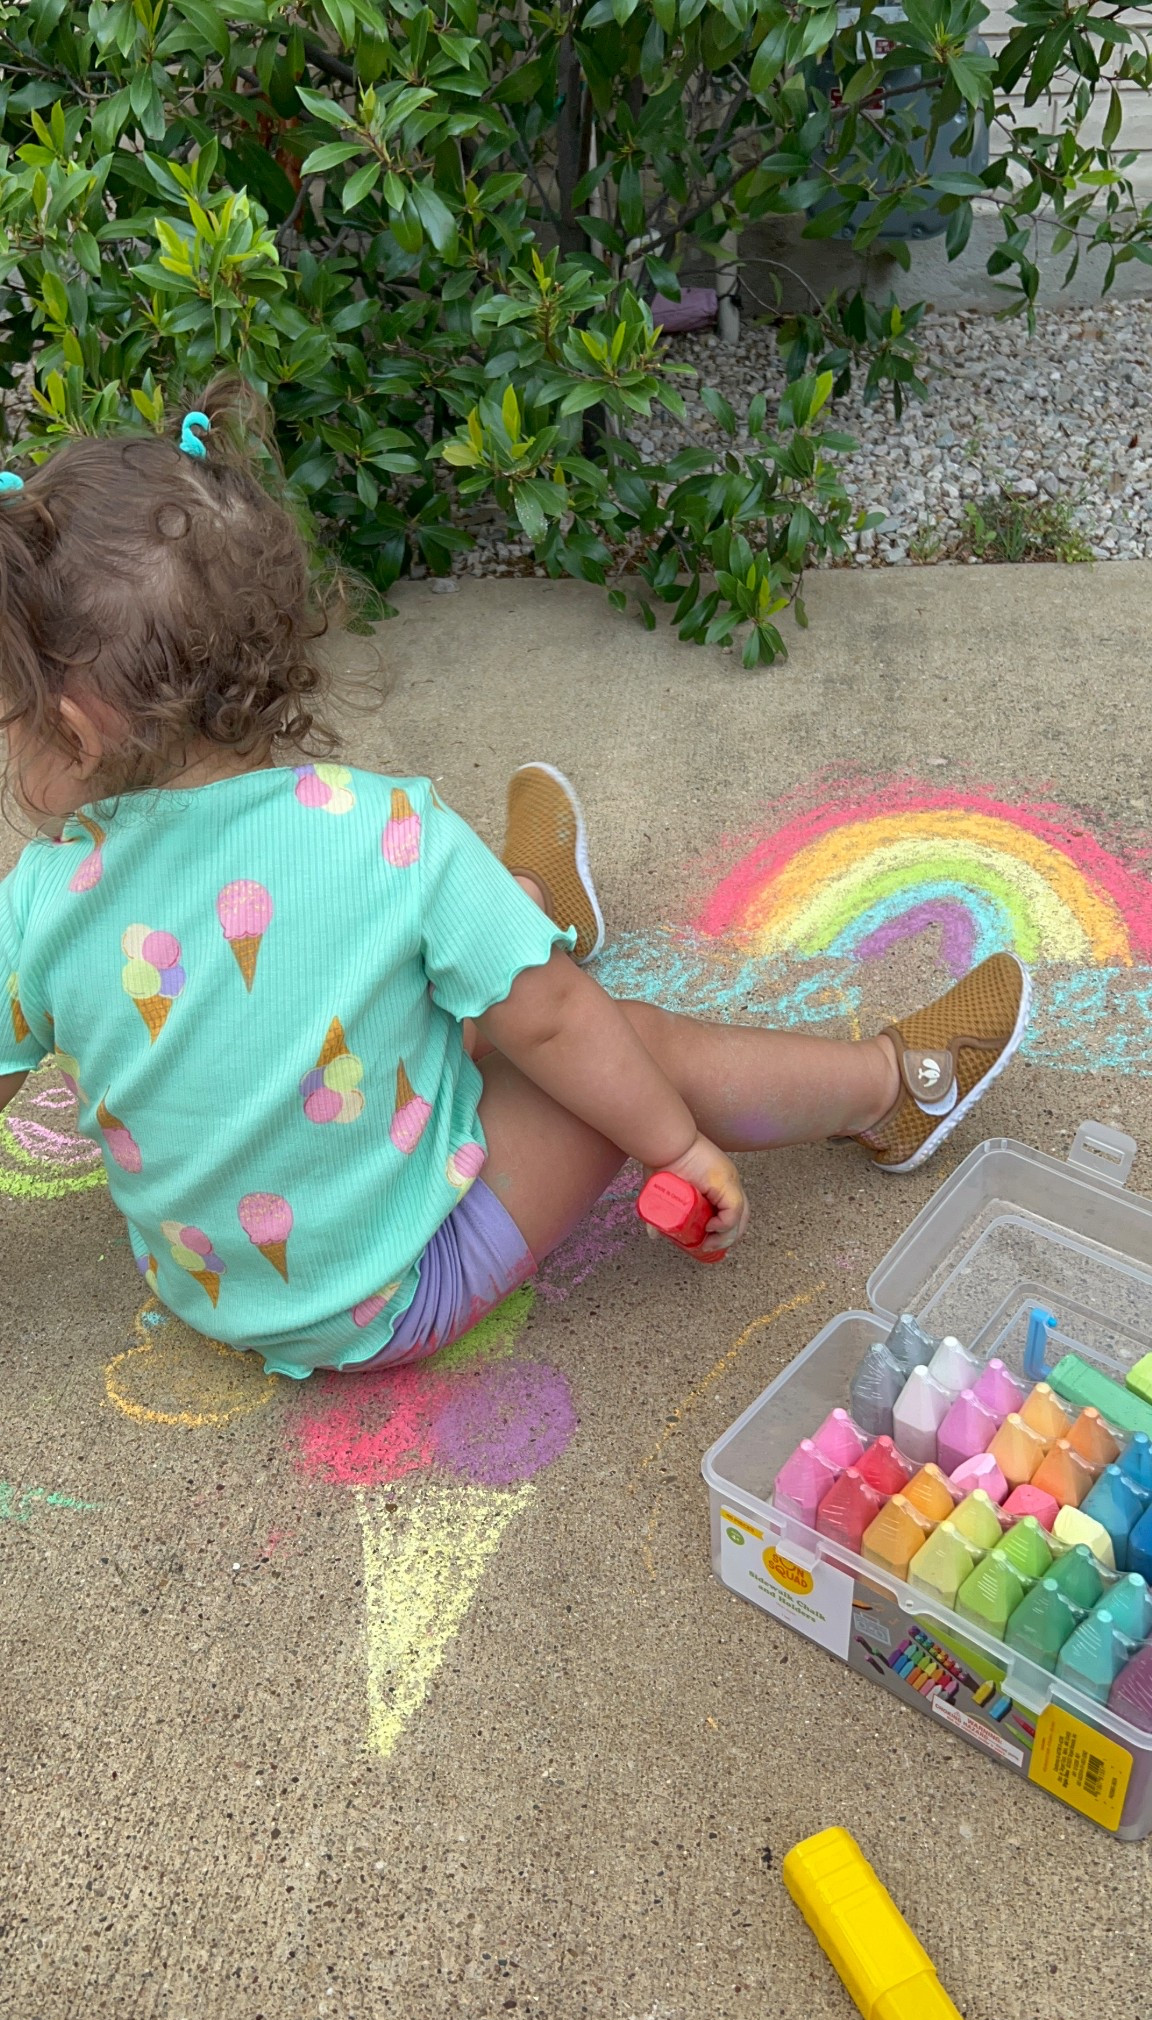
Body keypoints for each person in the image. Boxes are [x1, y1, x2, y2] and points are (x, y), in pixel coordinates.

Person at [0, 382, 1030, 1381]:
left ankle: (520, 921)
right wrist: (673, 1143)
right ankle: (893, 1090)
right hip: (395, 1290)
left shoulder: (41, 903)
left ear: (77, 732)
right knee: (611, 1039)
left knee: (438, 999)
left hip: (209, 1287)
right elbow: (556, 1032)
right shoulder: (383, 837)